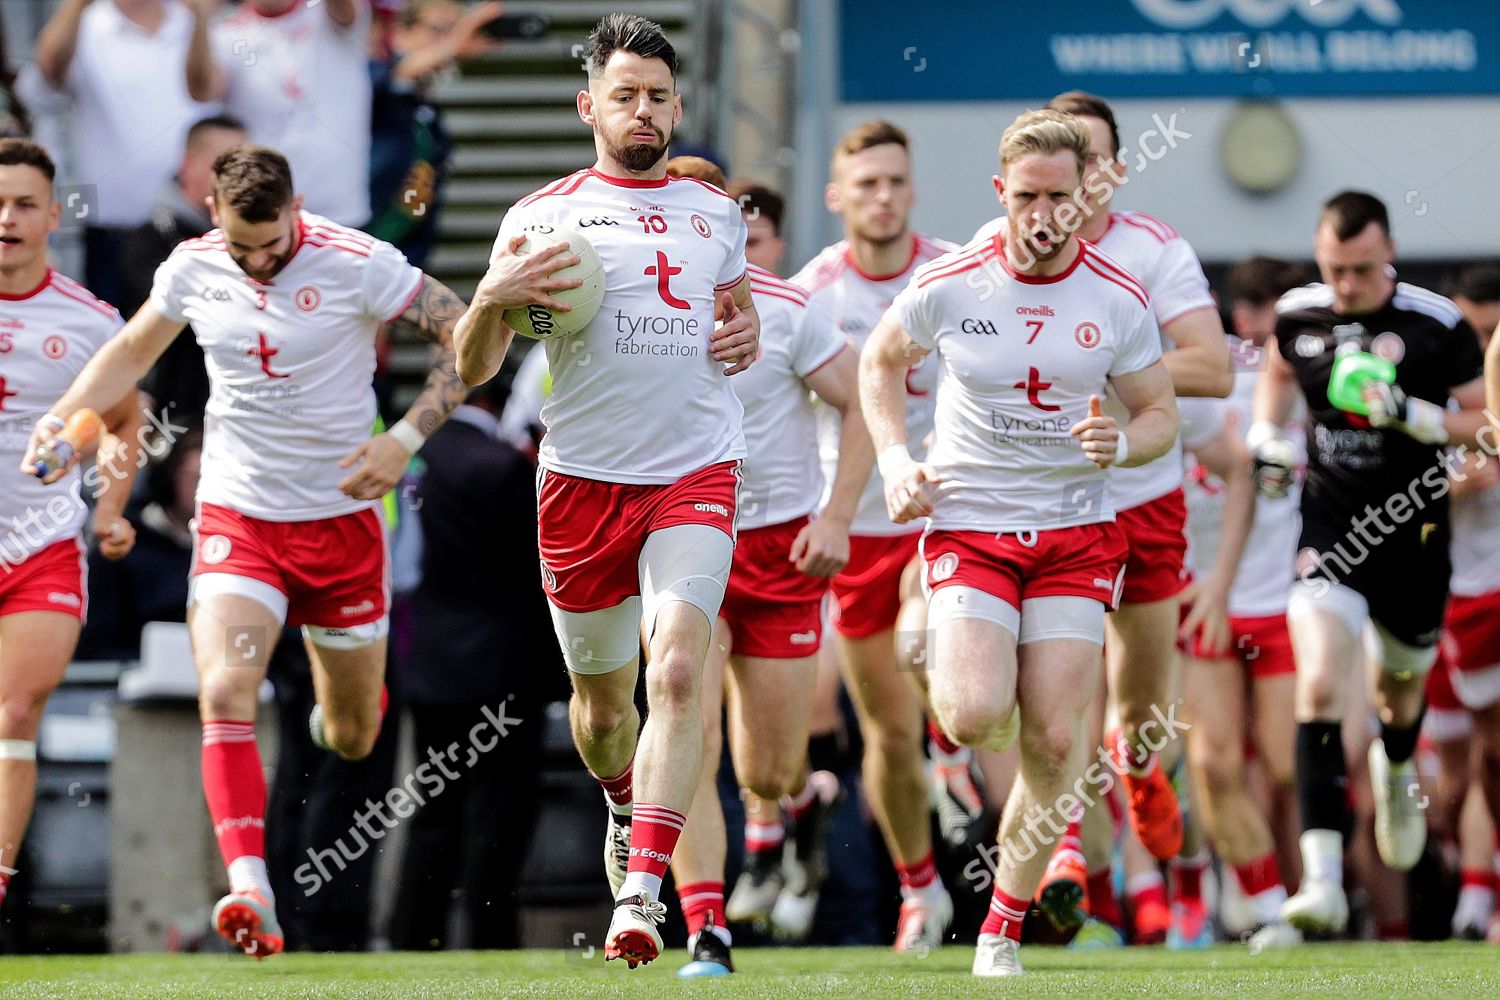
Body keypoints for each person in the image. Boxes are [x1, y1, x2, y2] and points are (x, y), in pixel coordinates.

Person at [24, 143, 472, 957]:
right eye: (244, 248)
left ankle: (332, 716)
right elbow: (131, 352)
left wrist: (404, 438)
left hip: (341, 523)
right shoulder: (194, 266)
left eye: (274, 247)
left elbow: (467, 335)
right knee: (226, 688)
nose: (260, 264)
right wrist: (63, 421)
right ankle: (251, 889)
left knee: (352, 734)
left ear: (298, 211)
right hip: (242, 516)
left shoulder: (359, 262)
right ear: (216, 219)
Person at [450, 13, 760, 969]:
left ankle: (643, 892)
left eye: (659, 96)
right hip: (582, 484)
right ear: (590, 106)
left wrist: (740, 335)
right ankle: (625, 798)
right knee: (601, 710)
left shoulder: (716, 214)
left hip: (695, 470)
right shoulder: (541, 218)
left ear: (676, 108)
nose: (644, 111)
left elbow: (735, 317)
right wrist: (495, 296)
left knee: (676, 672)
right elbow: (472, 367)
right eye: (625, 95)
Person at [860, 108, 1177, 977]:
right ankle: (952, 746)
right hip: (973, 527)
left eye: (1061, 199)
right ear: (1001, 192)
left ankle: (1002, 927)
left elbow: (1159, 413)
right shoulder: (951, 282)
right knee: (970, 712)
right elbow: (880, 362)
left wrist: (1125, 440)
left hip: (1076, 537)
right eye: (1027, 197)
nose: (1044, 216)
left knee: (1050, 737)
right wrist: (894, 457)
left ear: (1087, 196)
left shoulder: (1117, 296)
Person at [975, 92, 1228, 944]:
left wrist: (1123, 375)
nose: (1066, 182)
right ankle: (1067, 862)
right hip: (1040, 509)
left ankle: (1147, 775)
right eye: (1049, 167)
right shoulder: (989, 252)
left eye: (1086, 160)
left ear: (1110, 170)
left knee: (1140, 707)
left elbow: (1214, 367)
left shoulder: (1152, 253)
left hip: (1142, 497)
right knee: (1057, 705)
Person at [1254, 190, 1488, 936]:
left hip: (1416, 538)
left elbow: (1485, 423)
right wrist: (1268, 436)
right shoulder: (1300, 315)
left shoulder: (1437, 324)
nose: (1347, 284)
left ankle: (1395, 762)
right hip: (1331, 531)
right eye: (1335, 268)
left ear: (1386, 254)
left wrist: (1413, 416)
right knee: (1319, 684)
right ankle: (1322, 880)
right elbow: (1277, 373)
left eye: (1360, 269)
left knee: (1399, 694)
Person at [659, 159, 865, 976]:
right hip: (680, 539)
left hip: (781, 549)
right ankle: (708, 928)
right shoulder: (627, 311)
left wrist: (838, 516)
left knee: (770, 766)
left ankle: (795, 812)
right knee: (685, 720)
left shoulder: (786, 310)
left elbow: (862, 402)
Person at [789, 120, 968, 952]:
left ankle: (957, 750)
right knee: (887, 735)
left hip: (951, 511)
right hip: (856, 527)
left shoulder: (960, 273)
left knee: (923, 636)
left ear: (913, 190)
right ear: (838, 198)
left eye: (896, 181)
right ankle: (920, 889)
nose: (884, 196)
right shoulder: (811, 294)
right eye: (866, 184)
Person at [0, 138, 142, 914]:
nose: (6, 218)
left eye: (24, 203)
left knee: (15, 714)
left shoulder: (89, 322)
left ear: (54, 215)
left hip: (41, 551)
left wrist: (111, 511)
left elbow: (124, 418)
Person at [389, 372, 556, 950]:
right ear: (494, 400)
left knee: (433, 810)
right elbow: (540, 571)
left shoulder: (409, 459)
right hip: (503, 669)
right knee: (498, 814)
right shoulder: (506, 468)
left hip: (428, 665)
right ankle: (490, 937)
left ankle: (414, 937)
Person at [1180, 256, 1311, 952]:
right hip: (1205, 594)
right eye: (1258, 311)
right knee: (1214, 762)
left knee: (1289, 768)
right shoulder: (1194, 381)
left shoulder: (1318, 384)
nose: (1269, 328)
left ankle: (1312, 890)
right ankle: (1263, 906)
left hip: (1286, 599)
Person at [21, 0, 218, 307]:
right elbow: (49, 72)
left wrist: (201, 16)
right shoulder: (86, 22)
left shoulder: (190, 17)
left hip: (190, 227)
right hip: (109, 233)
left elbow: (207, 90)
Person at [186, 0, 373, 226]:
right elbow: (202, 91)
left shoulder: (327, 14)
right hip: (265, 218)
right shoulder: (227, 32)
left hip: (339, 214)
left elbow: (347, 13)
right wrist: (199, 17)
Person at [120, 114, 248, 426]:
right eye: (226, 165)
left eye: (246, 166)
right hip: (170, 421)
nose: (240, 178)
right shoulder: (151, 240)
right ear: (188, 165)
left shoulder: (261, 240)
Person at [369, 0, 503, 267]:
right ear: (400, 34)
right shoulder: (369, 86)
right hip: (359, 253)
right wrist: (453, 46)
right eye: (440, 29)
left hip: (403, 262)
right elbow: (396, 75)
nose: (456, 39)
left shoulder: (425, 111)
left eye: (457, 29)